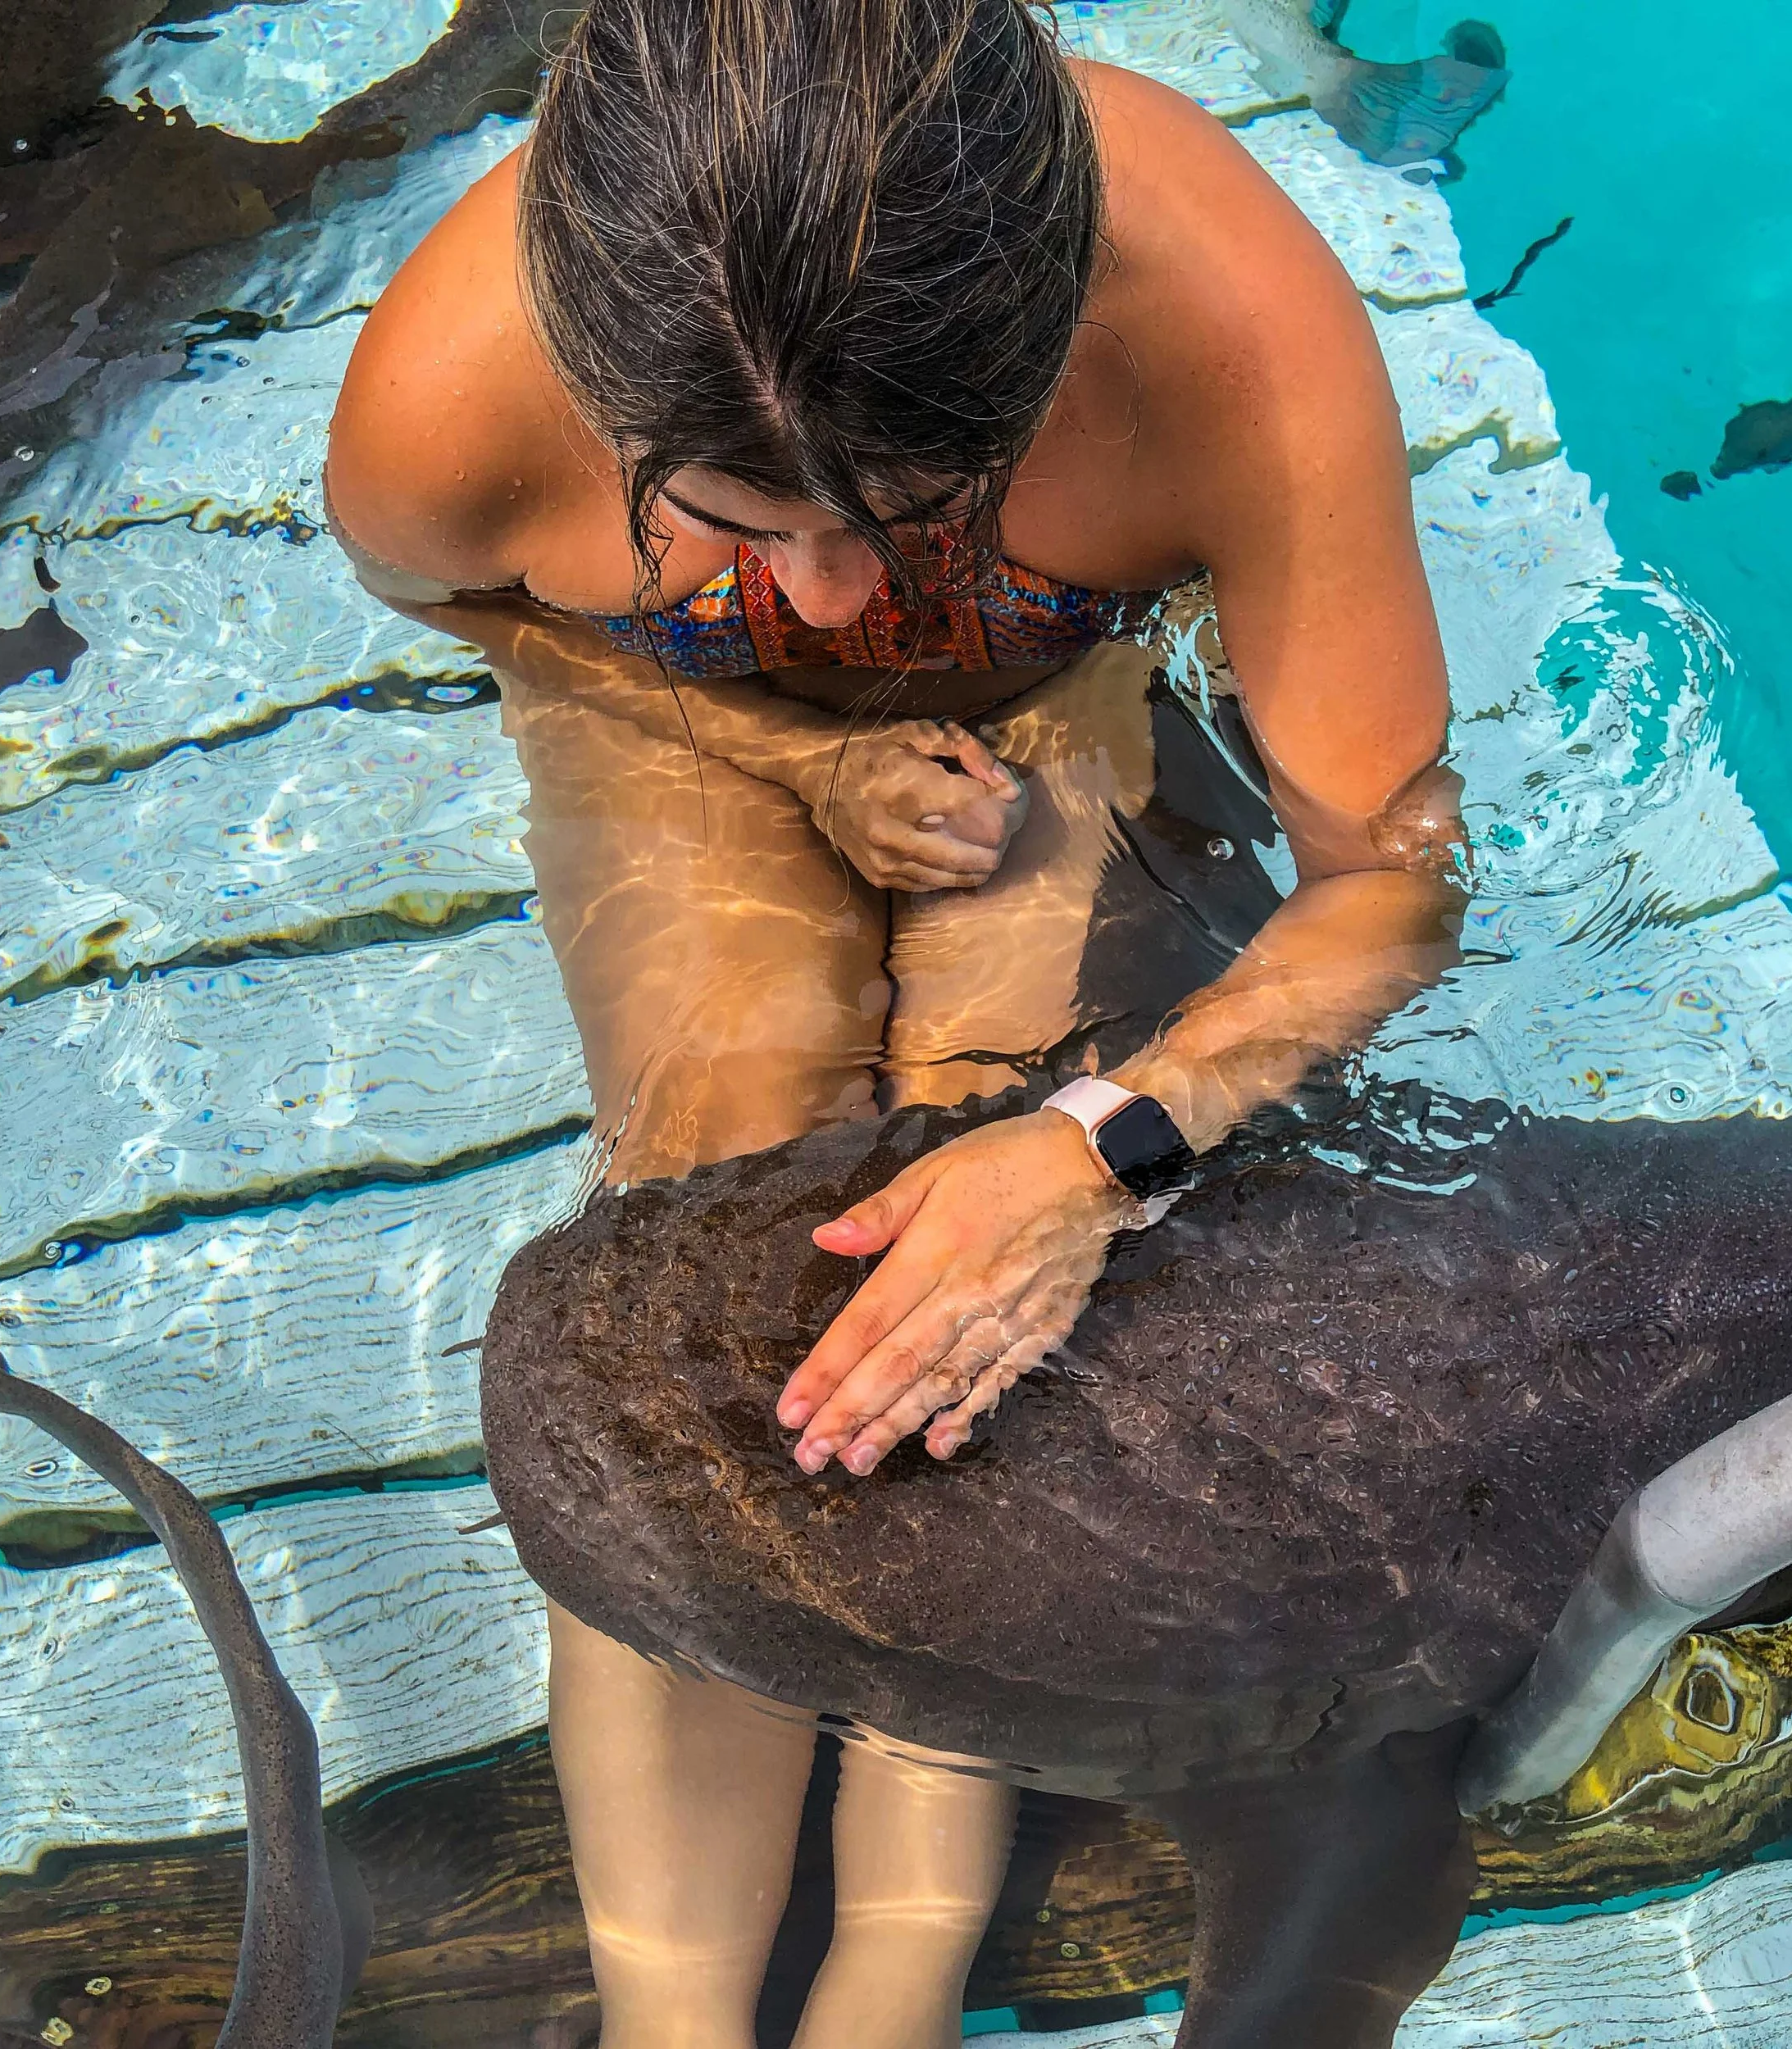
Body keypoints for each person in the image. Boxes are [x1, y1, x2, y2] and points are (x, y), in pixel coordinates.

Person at [328, 0, 1461, 2041]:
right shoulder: (444, 406)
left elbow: (1386, 876)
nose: (843, 598)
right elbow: (513, 630)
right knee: (697, 1228)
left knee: (955, 1226)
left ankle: (895, 1971)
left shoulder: (1221, 323)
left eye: (915, 505)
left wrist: (1098, 1142)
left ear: (1039, 347)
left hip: (1062, 692)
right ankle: (675, 2019)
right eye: (747, 526)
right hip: (683, 712)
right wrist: (766, 750)